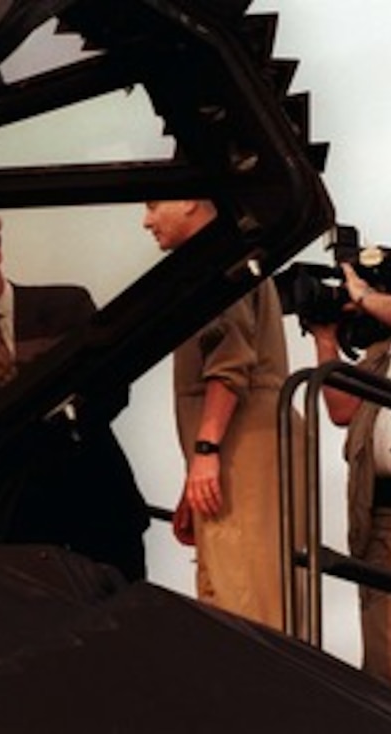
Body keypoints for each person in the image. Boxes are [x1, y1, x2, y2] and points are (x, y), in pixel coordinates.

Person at [0, 210, 150, 582]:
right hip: (16, 524)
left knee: (129, 624)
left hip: (97, 498)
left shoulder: (66, 306)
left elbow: (111, 387)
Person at [143, 199, 293, 631]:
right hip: (232, 449)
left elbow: (230, 362)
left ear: (190, 201)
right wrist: (196, 472)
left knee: (246, 605)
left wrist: (207, 450)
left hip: (241, 445)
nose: (146, 220)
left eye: (154, 205)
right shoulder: (221, 257)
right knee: (224, 594)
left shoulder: (222, 258)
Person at [306, 220, 391, 696]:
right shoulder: (389, 344)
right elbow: (342, 409)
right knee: (388, 671)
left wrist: (361, 292)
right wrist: (325, 337)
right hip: (383, 516)